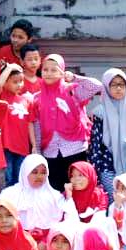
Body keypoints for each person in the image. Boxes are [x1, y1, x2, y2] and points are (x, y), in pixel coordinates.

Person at [35, 54, 102, 191]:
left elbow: (97, 86)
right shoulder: (37, 97)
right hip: (50, 151)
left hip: (75, 148)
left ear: (62, 71)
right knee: (56, 190)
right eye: (45, 69)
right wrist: (37, 149)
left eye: (54, 70)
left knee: (79, 188)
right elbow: (37, 126)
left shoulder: (72, 90)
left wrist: (75, 77)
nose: (49, 73)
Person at [88, 69, 126, 199]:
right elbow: (95, 144)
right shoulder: (100, 112)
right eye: (113, 85)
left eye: (122, 84)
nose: (118, 88)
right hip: (106, 162)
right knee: (113, 199)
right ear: (106, 87)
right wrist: (95, 170)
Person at [0, 154, 72, 242]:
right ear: (25, 172)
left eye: (43, 172)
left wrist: (45, 242)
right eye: (34, 172)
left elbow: (66, 223)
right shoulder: (9, 194)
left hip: (49, 243)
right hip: (16, 241)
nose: (39, 176)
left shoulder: (55, 197)